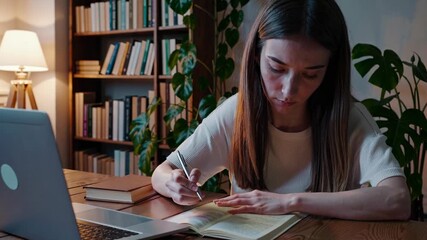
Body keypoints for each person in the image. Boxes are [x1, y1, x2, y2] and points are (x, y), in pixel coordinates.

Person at [152, 0, 411, 220]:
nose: (289, 90)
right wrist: (174, 184)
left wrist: (289, 202)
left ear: (329, 71)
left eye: (310, 74)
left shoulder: (349, 120)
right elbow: (162, 172)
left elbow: (397, 199)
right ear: (255, 55)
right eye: (276, 68)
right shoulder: (236, 112)